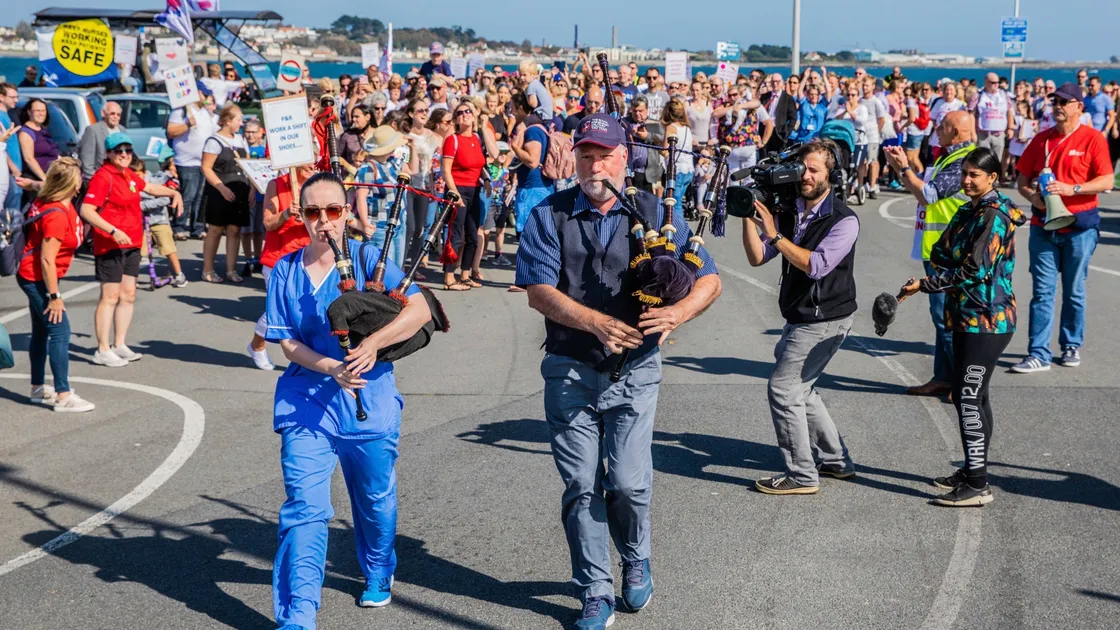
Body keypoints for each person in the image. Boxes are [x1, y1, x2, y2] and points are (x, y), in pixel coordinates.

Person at [514, 113, 720, 629]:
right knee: (581, 484)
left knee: (627, 482)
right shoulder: (549, 214)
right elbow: (538, 291)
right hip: (569, 369)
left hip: (636, 369)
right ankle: (595, 589)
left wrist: (677, 313)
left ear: (625, 159)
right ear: (574, 159)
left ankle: (635, 555)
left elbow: (709, 279)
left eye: (605, 155)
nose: (594, 164)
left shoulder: (656, 212)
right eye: (585, 154)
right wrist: (596, 323)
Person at [265, 172, 430, 630]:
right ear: (300, 216)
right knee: (304, 508)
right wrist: (330, 368)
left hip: (369, 402)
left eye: (333, 211)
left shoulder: (370, 259)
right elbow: (288, 345)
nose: (323, 221)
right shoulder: (285, 270)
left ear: (347, 214)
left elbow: (420, 311)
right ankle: (298, 613)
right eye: (313, 212)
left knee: (375, 499)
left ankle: (379, 569)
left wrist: (374, 343)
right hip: (307, 401)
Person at [898, 148, 1025, 506]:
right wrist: (951, 263)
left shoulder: (993, 216)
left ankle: (978, 485)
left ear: (993, 178)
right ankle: (972, 470)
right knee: (976, 395)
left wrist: (925, 284)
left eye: (975, 176)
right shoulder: (969, 209)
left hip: (988, 317)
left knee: (967, 396)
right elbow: (941, 251)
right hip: (968, 313)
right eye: (965, 174)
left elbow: (975, 270)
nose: (966, 181)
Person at [740, 139, 859, 495]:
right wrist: (751, 215)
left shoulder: (844, 220)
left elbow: (816, 266)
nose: (805, 176)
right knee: (802, 391)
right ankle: (837, 461)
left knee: (783, 388)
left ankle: (802, 475)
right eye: (801, 168)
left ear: (831, 176)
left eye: (814, 170)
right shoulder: (791, 209)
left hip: (824, 320)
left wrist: (774, 233)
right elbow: (757, 256)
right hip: (801, 315)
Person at [1011, 82, 1115, 373]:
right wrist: (1034, 198)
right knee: (1042, 292)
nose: (1057, 105)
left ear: (1078, 107)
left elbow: (1106, 181)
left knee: (1073, 291)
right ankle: (1038, 353)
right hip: (1043, 226)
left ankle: (1071, 344)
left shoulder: (1092, 139)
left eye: (1064, 101)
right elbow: (1021, 181)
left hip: (1080, 226)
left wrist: (1073, 189)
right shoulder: (1041, 140)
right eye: (1054, 100)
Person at [883, 111, 976, 397]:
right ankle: (944, 378)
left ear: (956, 133)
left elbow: (930, 195)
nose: (937, 128)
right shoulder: (947, 155)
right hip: (938, 248)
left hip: (951, 251)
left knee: (949, 318)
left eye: (943, 125)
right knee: (941, 318)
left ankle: (962, 386)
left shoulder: (964, 160)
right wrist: (906, 166)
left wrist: (902, 169)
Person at [80, 132, 182, 367]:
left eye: (127, 150)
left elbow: (151, 188)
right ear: (108, 154)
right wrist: (113, 230)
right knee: (110, 296)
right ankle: (102, 349)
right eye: (119, 151)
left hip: (133, 242)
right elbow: (87, 210)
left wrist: (174, 192)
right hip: (111, 245)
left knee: (128, 295)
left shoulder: (128, 174)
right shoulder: (104, 177)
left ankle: (120, 344)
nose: (124, 154)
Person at [16, 157, 95, 412]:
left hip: (35, 273)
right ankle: (63, 395)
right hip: (37, 276)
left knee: (41, 331)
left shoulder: (50, 199)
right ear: (75, 184)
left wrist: (31, 183)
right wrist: (54, 296)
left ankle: (38, 389)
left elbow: (40, 186)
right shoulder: (58, 215)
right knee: (60, 332)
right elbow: (47, 260)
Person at [246, 165, 315, 371]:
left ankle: (307, 358)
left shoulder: (318, 184)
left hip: (310, 257)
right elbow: (268, 222)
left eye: (316, 158)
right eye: (308, 159)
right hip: (279, 259)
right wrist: (286, 214)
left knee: (307, 309)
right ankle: (257, 345)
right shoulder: (277, 185)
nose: (313, 164)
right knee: (281, 309)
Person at [441, 101, 498, 291]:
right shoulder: (452, 140)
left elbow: (480, 164)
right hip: (458, 191)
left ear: (474, 116)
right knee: (455, 235)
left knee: (473, 235)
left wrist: (487, 180)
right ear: (456, 119)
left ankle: (465, 275)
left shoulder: (476, 137)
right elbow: (446, 170)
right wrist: (453, 191)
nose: (464, 114)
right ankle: (449, 277)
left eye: (468, 111)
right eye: (459, 113)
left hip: (475, 190)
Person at [199, 103, 251, 283]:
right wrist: (221, 187)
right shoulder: (214, 141)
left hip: (240, 188)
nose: (241, 123)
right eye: (238, 119)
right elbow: (206, 168)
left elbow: (249, 165)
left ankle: (231, 270)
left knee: (235, 230)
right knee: (215, 229)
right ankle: (207, 270)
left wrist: (251, 188)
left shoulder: (241, 139)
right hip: (219, 190)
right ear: (228, 121)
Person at [354, 125, 418, 268]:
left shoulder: (393, 163)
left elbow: (413, 170)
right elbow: (361, 198)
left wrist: (413, 148)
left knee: (397, 267)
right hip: (380, 226)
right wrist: (365, 224)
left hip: (399, 222)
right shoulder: (368, 168)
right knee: (383, 269)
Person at [167, 93, 218, 239]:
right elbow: (171, 131)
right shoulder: (181, 110)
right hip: (187, 161)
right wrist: (187, 124)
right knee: (188, 196)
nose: (206, 97)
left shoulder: (204, 112)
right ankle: (178, 226)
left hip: (203, 162)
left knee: (200, 197)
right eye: (203, 94)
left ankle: (197, 227)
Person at [134, 152, 188, 287]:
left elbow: (165, 199)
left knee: (168, 248)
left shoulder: (156, 181)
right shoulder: (131, 185)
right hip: (141, 222)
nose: (136, 179)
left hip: (159, 221)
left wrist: (143, 205)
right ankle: (132, 277)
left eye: (139, 176)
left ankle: (179, 274)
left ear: (145, 172)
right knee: (138, 251)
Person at [508, 92, 555, 236]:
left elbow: (533, 161)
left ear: (521, 108)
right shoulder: (534, 128)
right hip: (537, 188)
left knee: (529, 235)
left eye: (513, 108)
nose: (511, 113)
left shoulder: (532, 131)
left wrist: (515, 147)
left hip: (533, 190)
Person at [17, 98, 59, 206]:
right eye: (37, 111)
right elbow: (29, 159)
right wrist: (44, 179)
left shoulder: (43, 130)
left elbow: (54, 154)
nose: (41, 114)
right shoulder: (26, 132)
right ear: (29, 112)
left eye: (43, 111)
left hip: (51, 176)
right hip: (35, 179)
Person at [241, 119, 268, 277]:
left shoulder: (264, 150)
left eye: (253, 132)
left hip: (261, 194)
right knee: (246, 230)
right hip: (245, 194)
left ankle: (258, 257)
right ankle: (248, 258)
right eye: (247, 132)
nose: (250, 135)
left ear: (260, 132)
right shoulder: (242, 149)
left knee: (259, 229)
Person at [78, 102, 126, 180]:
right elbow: (87, 161)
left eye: (118, 115)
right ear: (103, 113)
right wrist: (95, 179)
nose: (115, 117)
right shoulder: (93, 130)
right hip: (100, 178)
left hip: (118, 178)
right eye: (112, 114)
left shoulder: (122, 130)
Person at [661, 98, 694, 209]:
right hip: (689, 169)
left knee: (674, 204)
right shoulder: (686, 128)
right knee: (678, 202)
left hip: (677, 170)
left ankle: (679, 226)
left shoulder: (671, 127)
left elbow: (665, 151)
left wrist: (656, 144)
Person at [975, 73, 1015, 165]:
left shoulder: (1004, 95)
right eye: (993, 83)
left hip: (999, 134)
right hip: (983, 134)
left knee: (996, 161)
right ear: (986, 82)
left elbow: (1009, 111)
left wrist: (1010, 128)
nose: (996, 85)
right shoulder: (978, 95)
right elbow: (972, 114)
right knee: (983, 160)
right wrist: (973, 132)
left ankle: (994, 178)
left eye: (998, 82)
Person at [763, 73, 798, 154]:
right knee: (764, 155)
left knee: (779, 157)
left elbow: (793, 117)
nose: (775, 84)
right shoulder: (765, 97)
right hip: (765, 130)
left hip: (779, 132)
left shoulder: (788, 98)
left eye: (778, 82)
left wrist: (787, 132)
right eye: (773, 82)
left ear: (782, 82)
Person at [1, 82, 22, 210]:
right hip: (7, 172)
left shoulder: (7, 115)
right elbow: (1, 145)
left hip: (13, 171)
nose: (16, 100)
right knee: (10, 214)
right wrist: (13, 168)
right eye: (12, 97)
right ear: (1, 97)